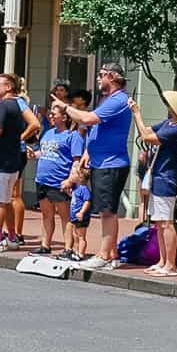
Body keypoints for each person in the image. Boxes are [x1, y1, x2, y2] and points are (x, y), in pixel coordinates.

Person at [65, 63, 133, 270]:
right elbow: (96, 127)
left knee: (107, 211)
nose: (98, 78)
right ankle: (111, 254)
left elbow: (87, 118)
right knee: (107, 210)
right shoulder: (107, 100)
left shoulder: (119, 100)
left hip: (111, 163)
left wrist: (66, 107)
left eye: (102, 75)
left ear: (112, 77)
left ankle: (103, 255)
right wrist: (88, 152)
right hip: (101, 161)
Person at [0, 73, 42, 253]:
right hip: (13, 160)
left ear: (8, 87)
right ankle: (11, 237)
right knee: (7, 200)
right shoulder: (17, 106)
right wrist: (18, 139)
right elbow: (34, 124)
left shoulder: (2, 106)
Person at [135, 90, 177, 277]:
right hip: (157, 174)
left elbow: (149, 137)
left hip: (166, 176)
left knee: (167, 222)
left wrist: (137, 113)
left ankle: (171, 264)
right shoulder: (169, 123)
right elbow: (149, 130)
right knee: (159, 222)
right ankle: (162, 260)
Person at [27, 101, 84, 256]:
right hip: (42, 180)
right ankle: (45, 245)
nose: (50, 115)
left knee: (65, 216)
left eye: (54, 113)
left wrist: (70, 180)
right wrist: (34, 155)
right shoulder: (49, 133)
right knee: (46, 214)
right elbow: (45, 152)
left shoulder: (73, 136)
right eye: (50, 113)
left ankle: (68, 248)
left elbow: (76, 161)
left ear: (65, 117)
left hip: (59, 182)